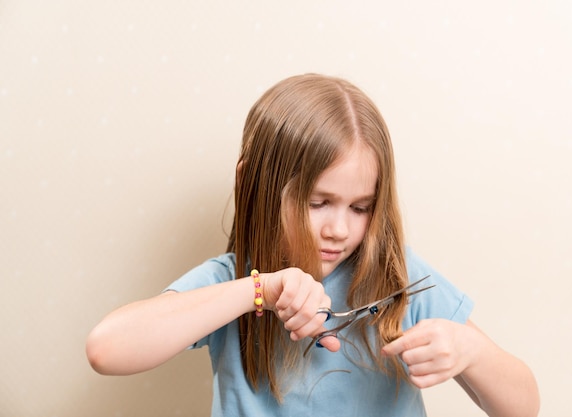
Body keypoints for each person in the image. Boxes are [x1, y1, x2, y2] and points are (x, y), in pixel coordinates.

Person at [86, 74, 539, 417]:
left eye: (360, 208)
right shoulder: (232, 282)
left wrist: (471, 352)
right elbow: (106, 349)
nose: (339, 229)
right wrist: (259, 290)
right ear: (253, 183)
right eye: (318, 202)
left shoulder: (395, 278)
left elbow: (523, 406)